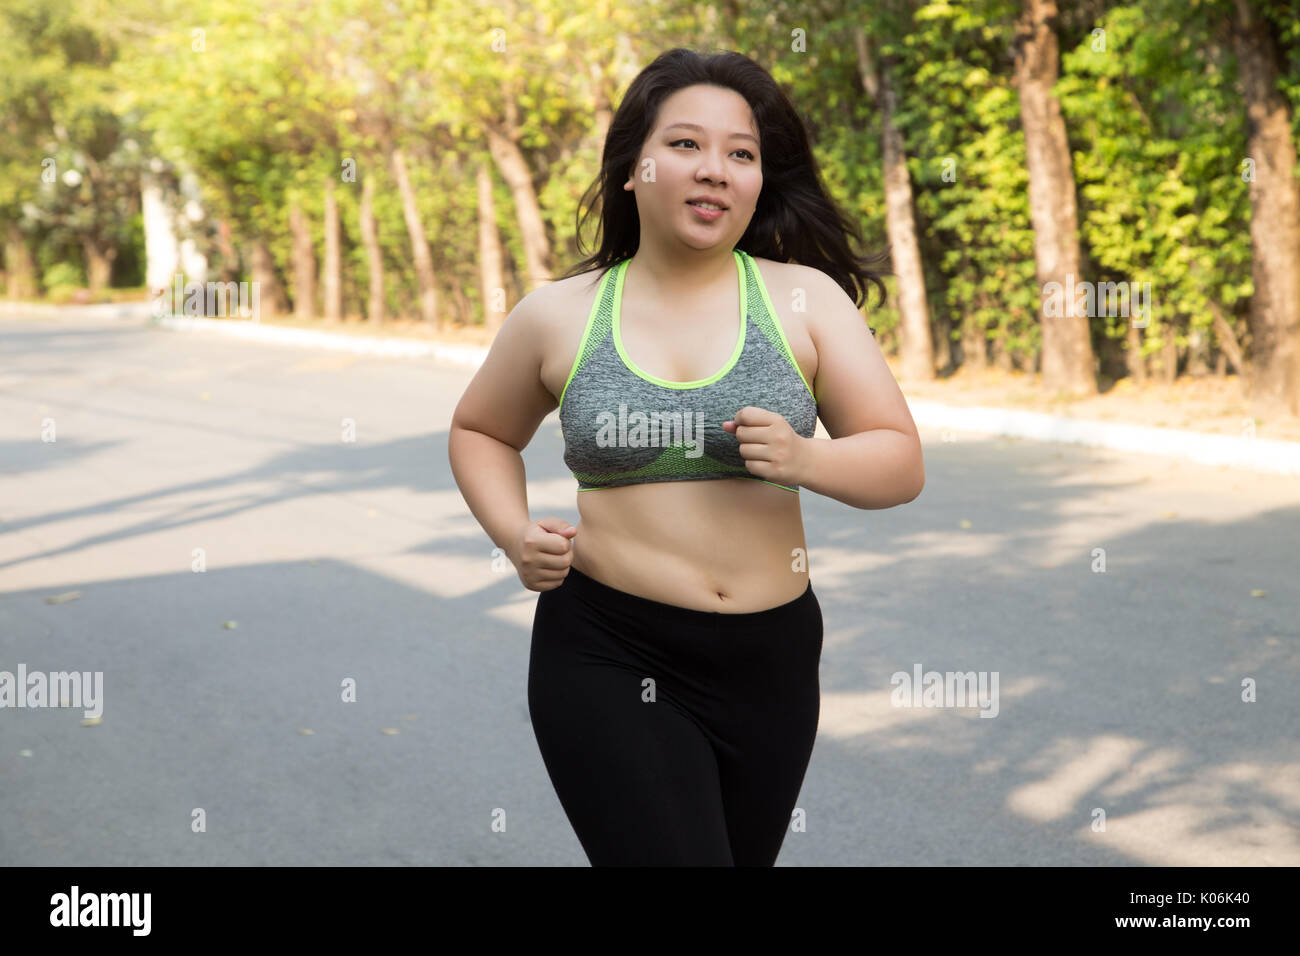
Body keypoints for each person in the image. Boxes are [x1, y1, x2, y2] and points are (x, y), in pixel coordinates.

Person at [448, 48, 924, 866]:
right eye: (686, 145)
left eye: (741, 153)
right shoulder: (559, 314)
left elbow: (899, 462)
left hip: (771, 659)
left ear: (759, 183)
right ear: (633, 169)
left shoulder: (805, 300)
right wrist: (511, 532)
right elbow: (481, 431)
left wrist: (808, 460)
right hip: (607, 650)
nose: (715, 170)